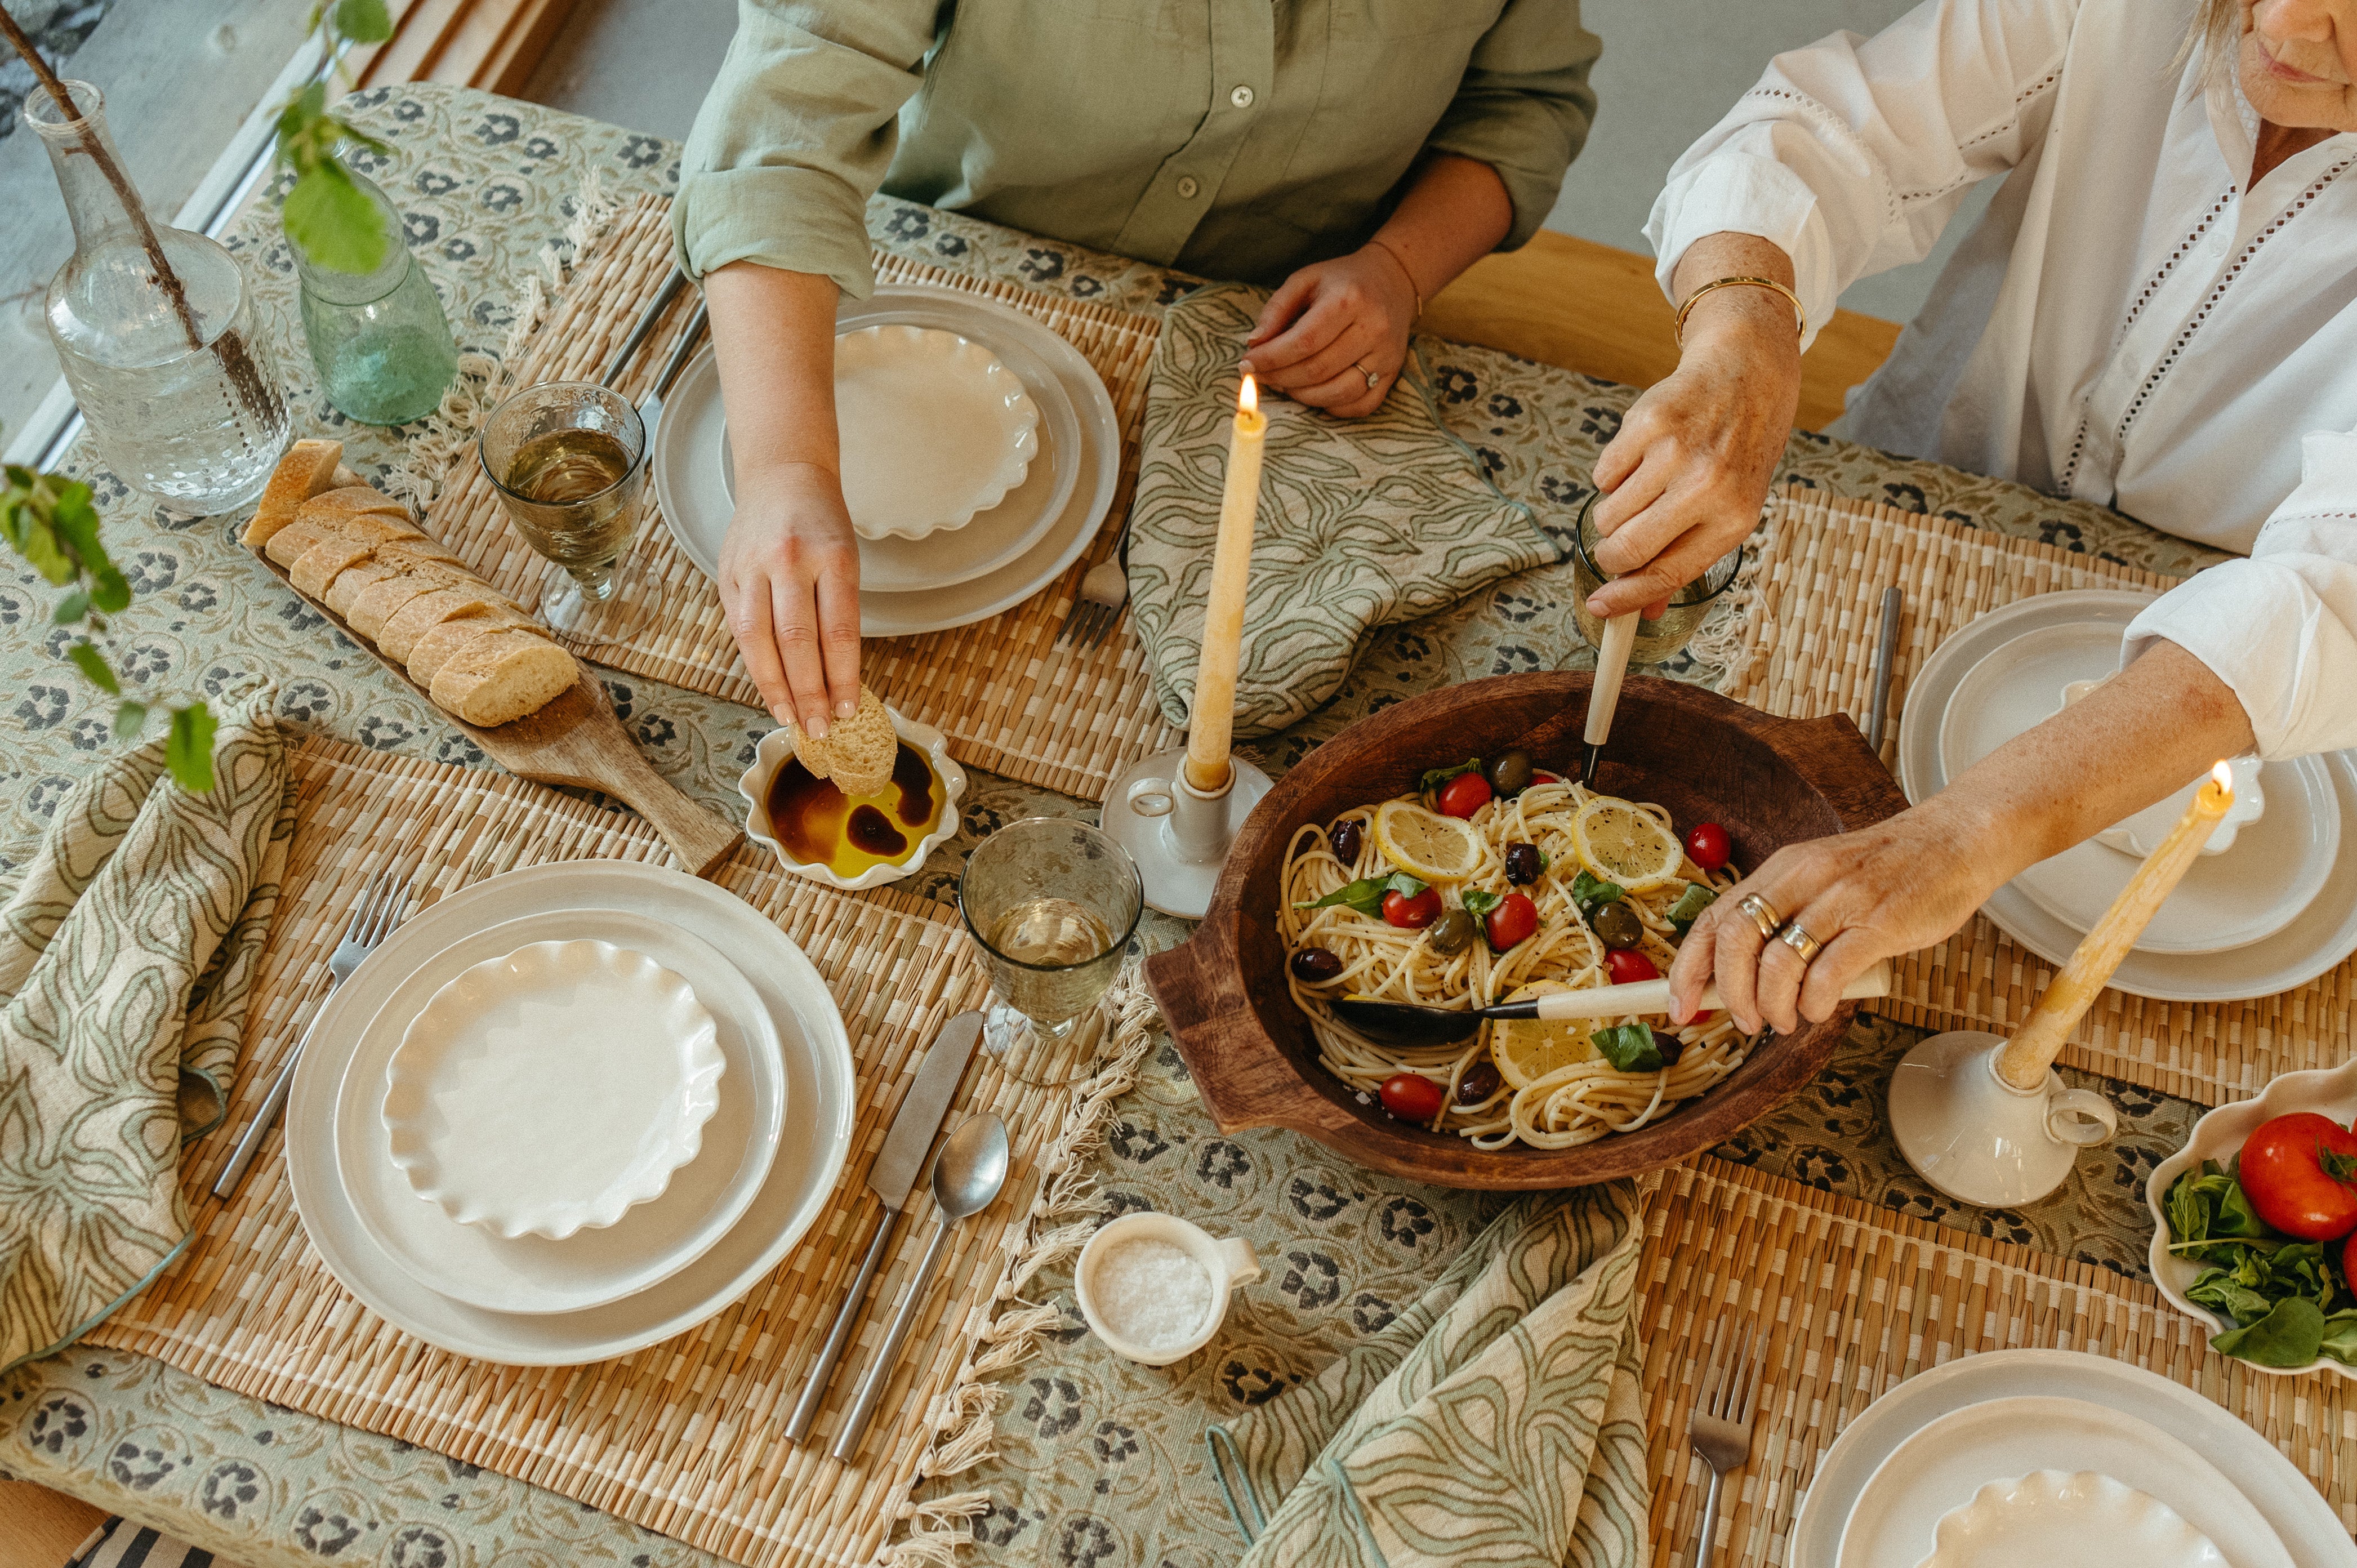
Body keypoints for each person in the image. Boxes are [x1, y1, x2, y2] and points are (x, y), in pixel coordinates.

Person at [1596, 0, 2357, 1037]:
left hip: (2203, 692)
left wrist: (1961, 835)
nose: (2280, 17)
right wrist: (1744, 326)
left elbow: (2324, 594)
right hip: (1918, 499)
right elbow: (1831, 129)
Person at [673, 1, 1602, 742]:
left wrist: (1402, 266)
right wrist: (786, 470)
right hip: (959, 256)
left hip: (1277, 319)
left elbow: (1527, 105)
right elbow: (773, 147)